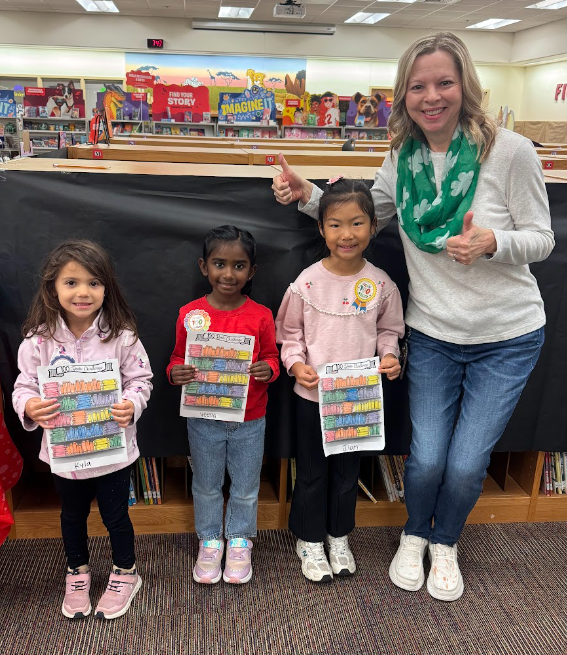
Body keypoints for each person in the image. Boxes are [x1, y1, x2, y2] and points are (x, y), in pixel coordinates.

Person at [272, 32, 554, 601]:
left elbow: (543, 239)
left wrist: (495, 241)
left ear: (466, 85)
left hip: (508, 334)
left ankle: (443, 542)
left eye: (444, 82)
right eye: (418, 86)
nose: (432, 96)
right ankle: (412, 536)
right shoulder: (402, 156)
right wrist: (309, 196)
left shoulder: (512, 151)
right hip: (434, 332)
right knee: (425, 460)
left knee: (468, 460)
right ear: (402, 95)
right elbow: (366, 214)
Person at [12, 239, 153, 618]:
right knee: (71, 517)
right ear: (53, 288)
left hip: (112, 452)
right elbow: (23, 384)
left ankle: (126, 572)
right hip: (66, 455)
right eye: (71, 282)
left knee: (115, 517)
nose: (83, 292)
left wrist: (132, 403)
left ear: (107, 288)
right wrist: (29, 405)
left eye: (94, 282)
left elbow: (141, 378)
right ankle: (78, 572)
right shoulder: (38, 339)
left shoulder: (122, 334)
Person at [275, 177, 404, 583]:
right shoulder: (307, 282)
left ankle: (338, 535)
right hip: (312, 398)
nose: (346, 234)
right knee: (312, 471)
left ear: (373, 225)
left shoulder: (382, 284)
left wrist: (389, 356)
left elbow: (390, 331)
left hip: (358, 399)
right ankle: (310, 540)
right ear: (321, 227)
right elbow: (288, 334)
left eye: (357, 223)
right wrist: (296, 365)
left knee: (348, 472)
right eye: (335, 224)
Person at [167, 225, 279, 585]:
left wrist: (269, 370)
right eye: (219, 263)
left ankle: (241, 539)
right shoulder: (190, 313)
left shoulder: (261, 315)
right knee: (206, 484)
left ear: (252, 271)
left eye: (239, 266)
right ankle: (210, 539)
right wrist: (175, 373)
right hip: (203, 419)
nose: (229, 274)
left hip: (250, 419)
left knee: (246, 486)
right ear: (204, 267)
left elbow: (271, 358)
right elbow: (174, 360)